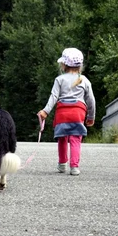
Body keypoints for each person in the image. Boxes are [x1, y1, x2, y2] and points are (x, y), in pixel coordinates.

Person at [37, 47, 96, 176]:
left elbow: (53, 97)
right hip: (78, 112)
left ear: (63, 65)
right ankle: (74, 167)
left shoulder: (59, 79)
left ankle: (62, 164)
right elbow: (91, 100)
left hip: (62, 113)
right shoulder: (84, 80)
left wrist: (45, 111)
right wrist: (91, 116)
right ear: (80, 66)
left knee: (62, 138)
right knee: (76, 139)